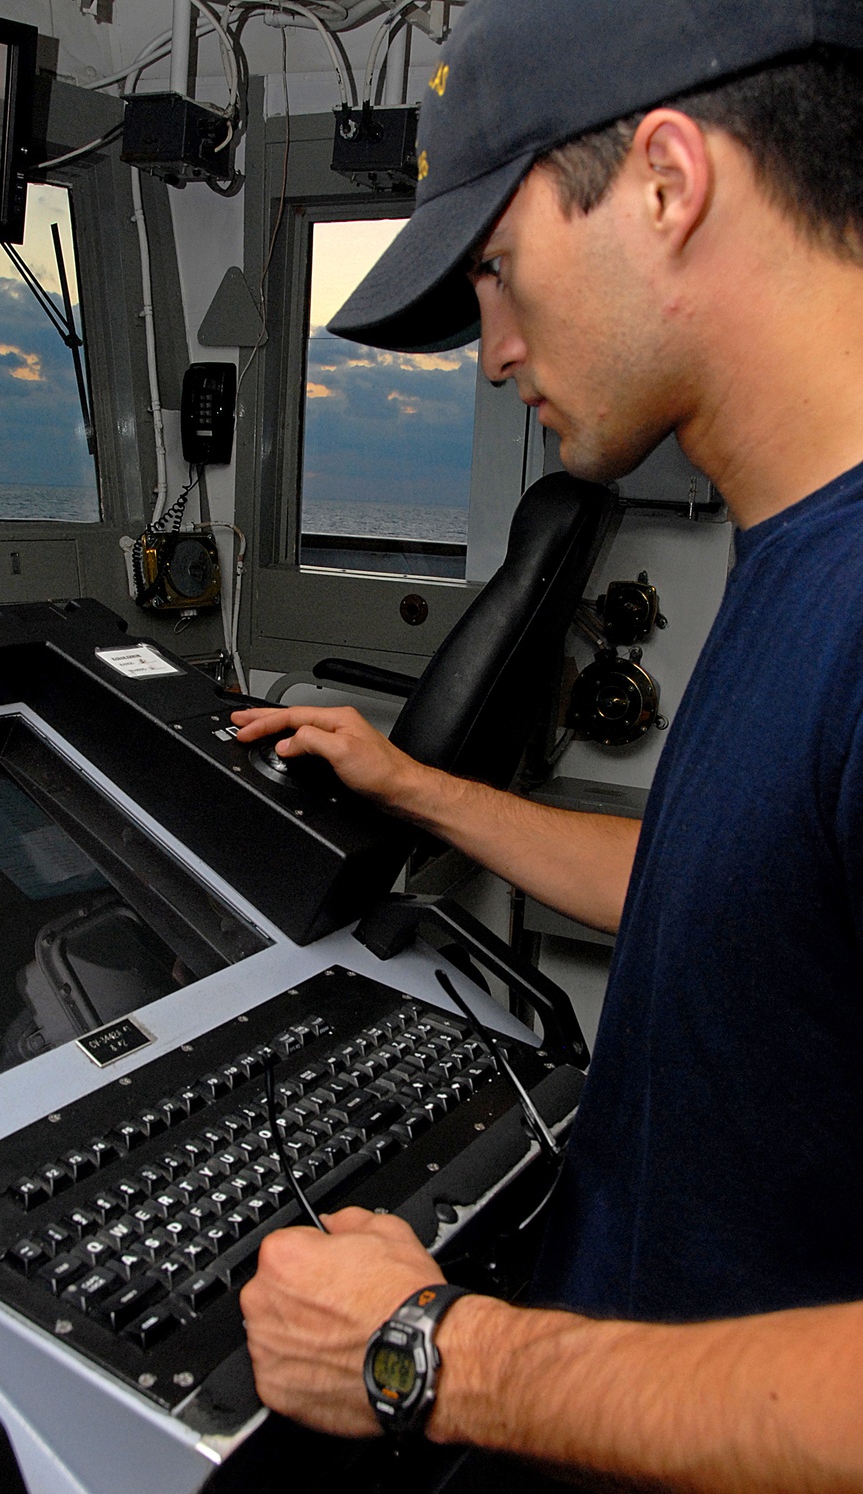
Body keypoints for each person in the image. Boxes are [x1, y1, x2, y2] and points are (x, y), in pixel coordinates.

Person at [233, 0, 863, 1485]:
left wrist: (440, 1354)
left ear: (665, 180)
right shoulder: (803, 553)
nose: (496, 350)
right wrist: (412, 786)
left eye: (501, 271)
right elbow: (731, 894)